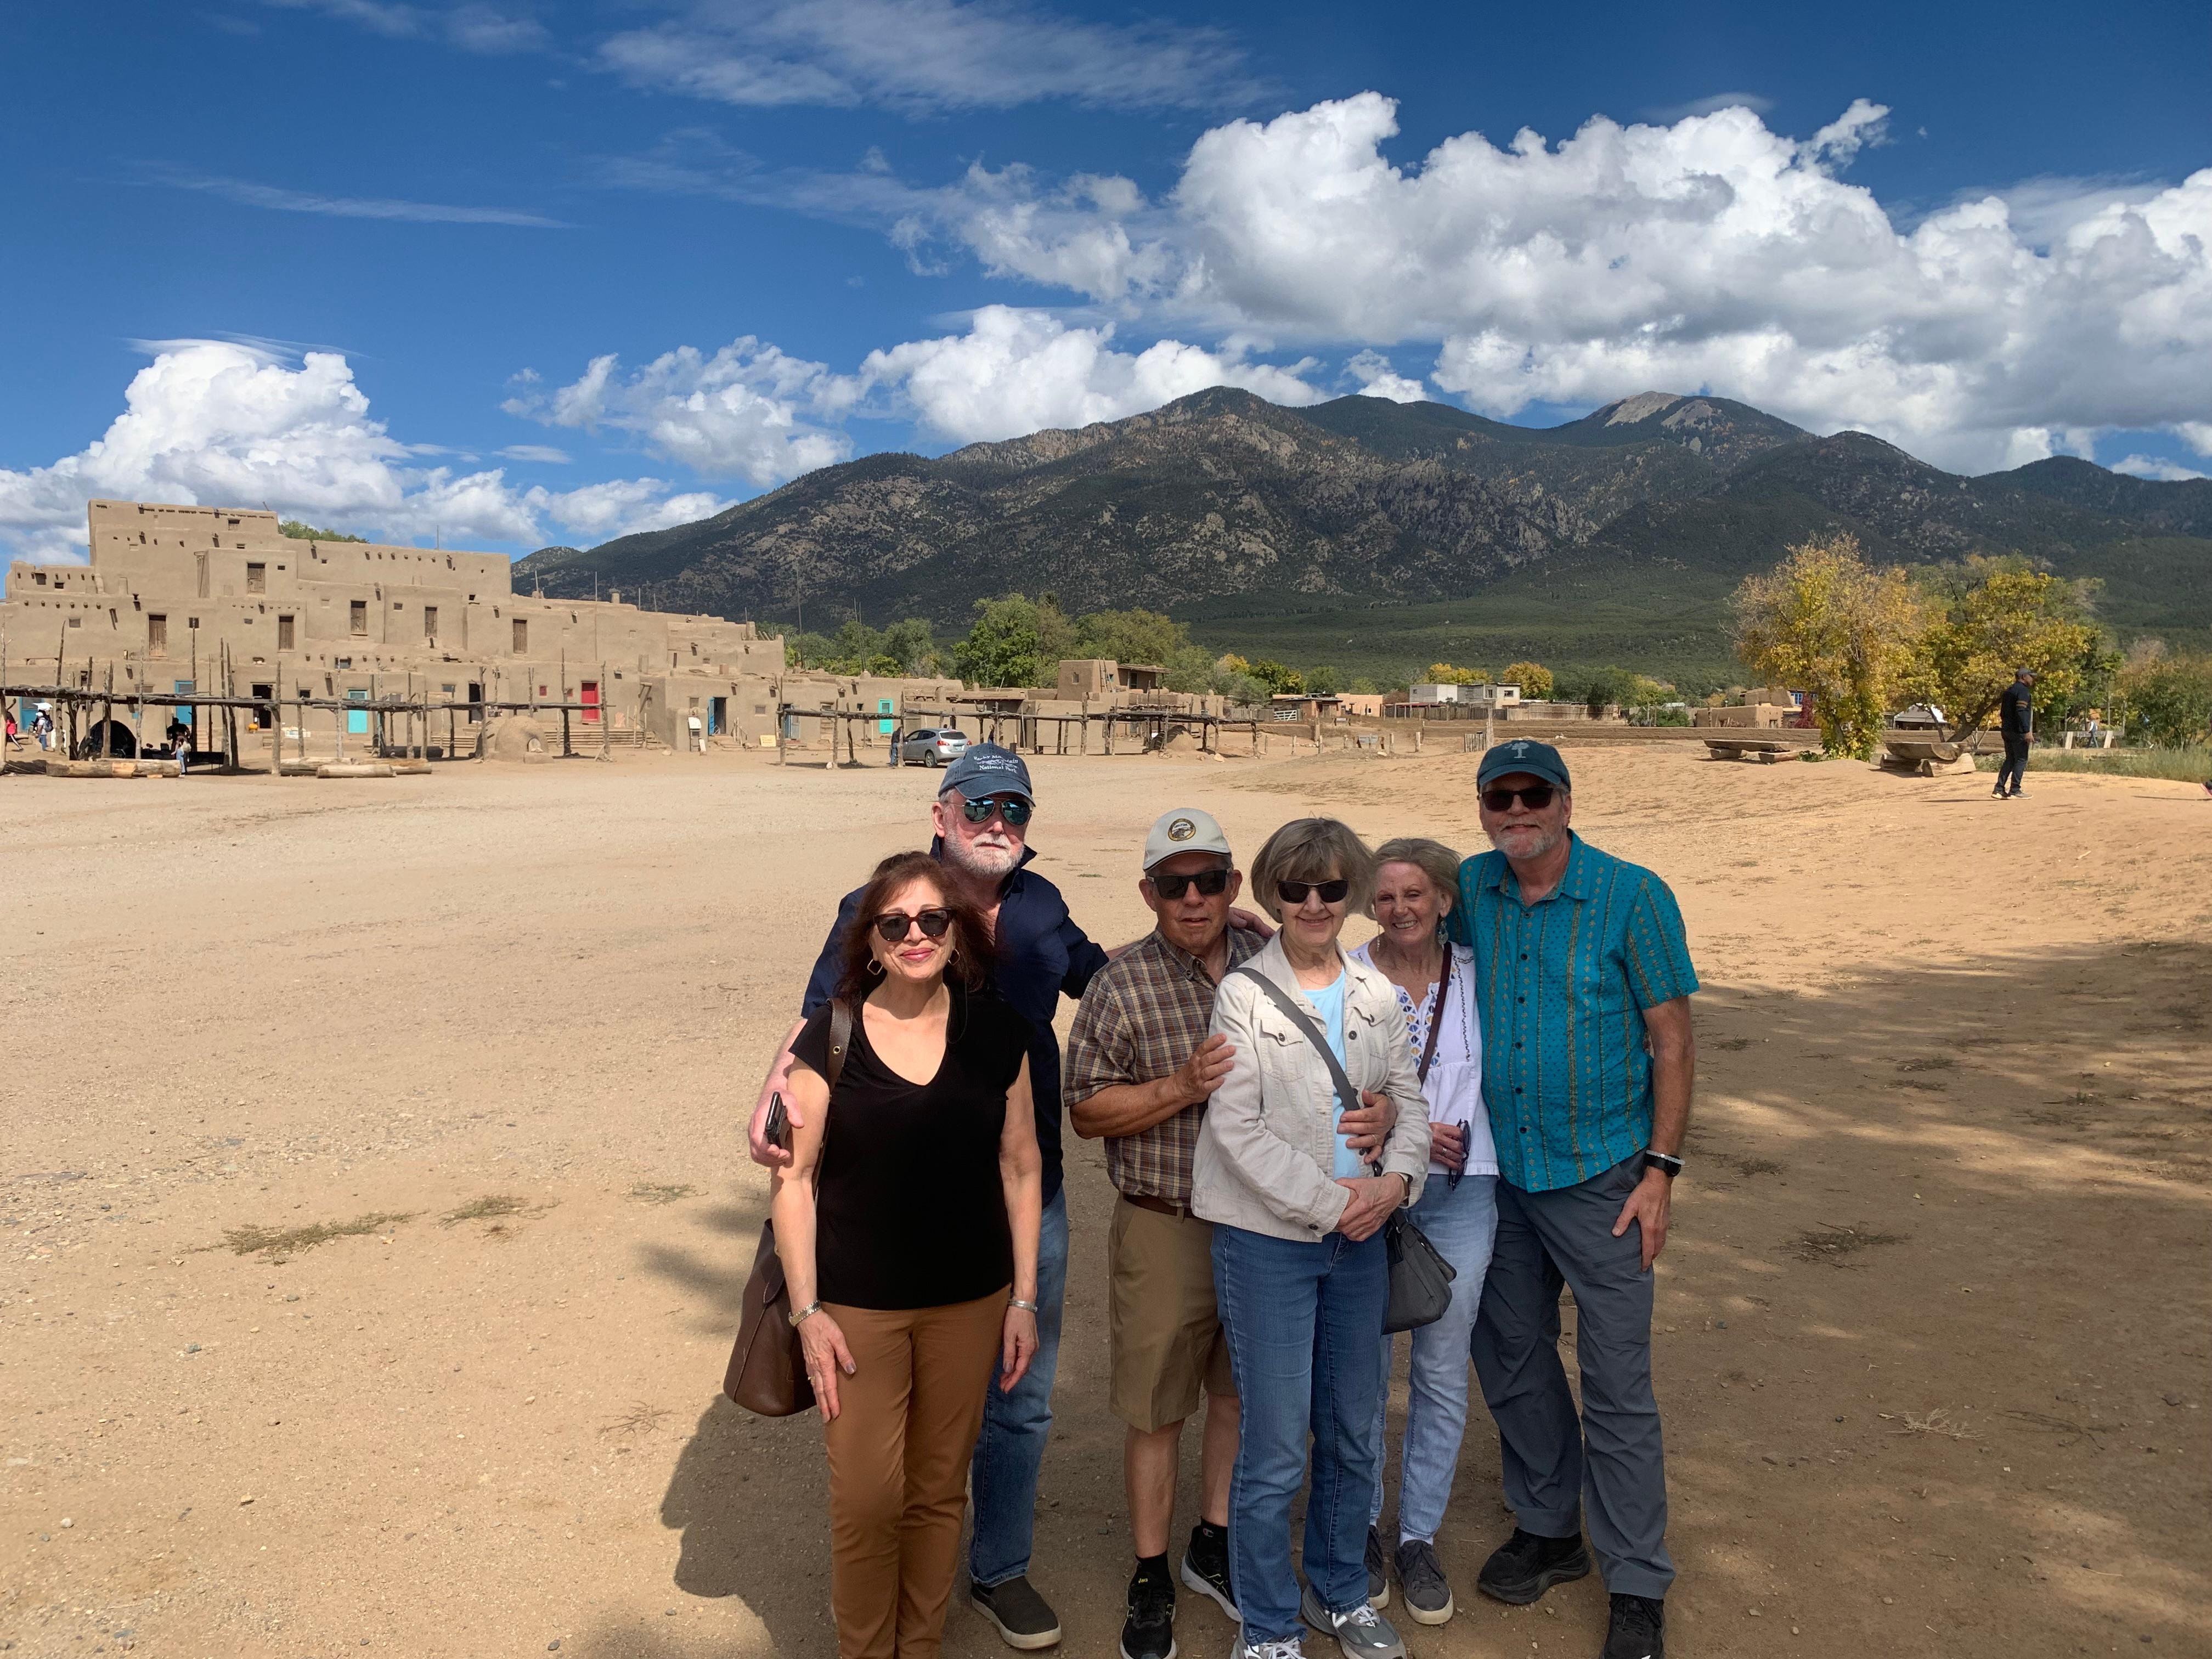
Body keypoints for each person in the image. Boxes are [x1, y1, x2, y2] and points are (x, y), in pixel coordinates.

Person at [748, 744, 1107, 1652]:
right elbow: (816, 1011)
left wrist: (1222, 934)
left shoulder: (1042, 906)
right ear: (941, 812)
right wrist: (770, 1089)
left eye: (1015, 808)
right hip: (872, 1262)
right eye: (980, 803)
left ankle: (998, 1570)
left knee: (1010, 1412)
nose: (999, 820)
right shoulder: (871, 919)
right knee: (874, 1483)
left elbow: (1102, 978)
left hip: (1012, 1224)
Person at [1069, 808, 1374, 1659]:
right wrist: (1180, 1086)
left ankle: (1215, 1540)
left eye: (1210, 880)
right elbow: (1088, 1110)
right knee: (1158, 1408)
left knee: (1243, 1398)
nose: (1194, 897)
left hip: (1266, 1224)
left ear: (1238, 888)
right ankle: (1149, 1570)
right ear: (1148, 892)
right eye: (1175, 883)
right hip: (1167, 1223)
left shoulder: (1268, 959)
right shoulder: (1119, 983)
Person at [1449, 741, 1696, 1659]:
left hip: (1604, 1175)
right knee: (1509, 1352)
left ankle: (1636, 1575)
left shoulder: (1632, 895)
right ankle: (1550, 1526)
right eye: (1497, 795)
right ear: (1481, 806)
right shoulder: (1471, 887)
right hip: (1498, 1174)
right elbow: (1386, 915)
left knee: (1618, 1381)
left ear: (1562, 798)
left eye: (1532, 792)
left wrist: (1661, 1169)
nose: (1516, 808)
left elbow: (1671, 1039)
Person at [774, 850, 1045, 1659]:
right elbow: (794, 1183)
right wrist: (808, 1313)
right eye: (896, 923)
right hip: (859, 1310)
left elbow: (1022, 1164)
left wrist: (1025, 1300)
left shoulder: (998, 1034)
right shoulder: (833, 1036)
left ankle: (919, 1642)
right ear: (871, 941)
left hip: (971, 1302)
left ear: (958, 932)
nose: (917, 935)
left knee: (935, 1493)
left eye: (934, 919)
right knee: (865, 1498)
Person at [1197, 817, 1431, 1659]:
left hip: (1362, 1241)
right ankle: (1265, 1625)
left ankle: (1339, 1595)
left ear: (1352, 892)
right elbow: (1239, 1130)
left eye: (1332, 887)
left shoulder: (1375, 995)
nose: (1314, 903)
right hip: (1271, 1243)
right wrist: (1339, 1205)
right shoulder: (1243, 995)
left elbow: (1407, 1099)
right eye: (1295, 888)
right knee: (1273, 1442)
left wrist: (1396, 1184)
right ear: (1272, 893)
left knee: (1353, 1428)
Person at [1350, 837, 1496, 1627]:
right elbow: (1330, 1086)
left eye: (1415, 894)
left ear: (1445, 899)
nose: (1400, 909)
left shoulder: (1479, 974)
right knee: (1365, 1367)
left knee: (1442, 1368)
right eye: (1385, 896)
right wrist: (1406, 1125)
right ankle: (1366, 1526)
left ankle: (1418, 1536)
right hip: (1373, 1193)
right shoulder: (1347, 974)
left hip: (1464, 1192)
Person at [1995, 669, 2035, 798]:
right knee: (2021, 759)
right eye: (2031, 677)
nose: (2032, 679)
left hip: (2006, 730)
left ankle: (1999, 789)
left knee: (2010, 759)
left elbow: (2002, 713)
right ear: (2024, 677)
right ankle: (2015, 790)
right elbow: (2021, 711)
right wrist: (2026, 731)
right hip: (2018, 732)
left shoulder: (2009, 691)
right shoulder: (2023, 691)